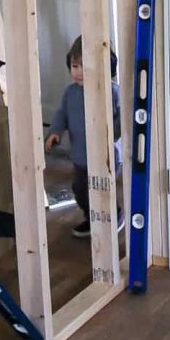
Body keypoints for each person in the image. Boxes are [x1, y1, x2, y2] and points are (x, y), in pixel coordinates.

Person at [45, 36, 124, 239]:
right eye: (74, 66)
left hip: (105, 155)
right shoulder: (70, 93)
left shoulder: (112, 92)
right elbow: (61, 114)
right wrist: (55, 132)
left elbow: (121, 118)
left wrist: (110, 135)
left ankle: (114, 214)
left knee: (102, 190)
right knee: (80, 190)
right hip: (80, 156)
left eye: (84, 66)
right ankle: (91, 218)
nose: (78, 72)